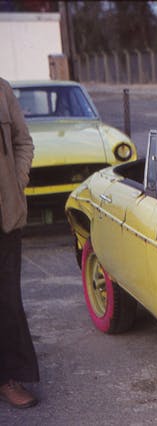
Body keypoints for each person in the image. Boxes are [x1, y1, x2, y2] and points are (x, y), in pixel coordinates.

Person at [0, 77, 38, 408]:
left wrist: (17, 181)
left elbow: (23, 142)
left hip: (5, 219)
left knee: (7, 301)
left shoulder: (2, 90)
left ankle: (8, 377)